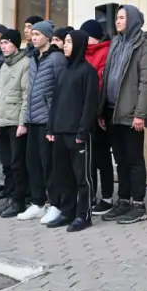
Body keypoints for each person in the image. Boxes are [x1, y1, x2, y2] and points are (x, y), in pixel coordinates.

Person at [99, 5, 147, 224]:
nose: (117, 21)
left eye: (122, 17)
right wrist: (101, 110)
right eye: (116, 17)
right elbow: (107, 77)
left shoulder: (146, 46)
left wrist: (141, 114)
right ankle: (123, 200)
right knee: (121, 160)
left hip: (132, 113)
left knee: (134, 159)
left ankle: (138, 205)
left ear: (133, 19)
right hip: (112, 111)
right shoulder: (116, 42)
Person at [47, 29, 99, 230]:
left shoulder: (88, 72)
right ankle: (67, 212)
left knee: (82, 177)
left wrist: (82, 131)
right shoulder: (63, 71)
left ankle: (83, 215)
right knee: (63, 176)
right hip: (60, 132)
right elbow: (55, 102)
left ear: (78, 44)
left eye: (68, 42)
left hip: (77, 134)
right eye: (65, 41)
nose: (65, 45)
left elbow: (89, 105)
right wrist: (51, 127)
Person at [20, 20, 66, 223]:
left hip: (48, 120)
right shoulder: (32, 58)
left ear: (48, 36)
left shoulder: (57, 58)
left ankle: (56, 204)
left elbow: (61, 91)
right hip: (32, 119)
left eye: (38, 34)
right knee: (33, 163)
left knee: (50, 166)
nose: (34, 36)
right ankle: (38, 203)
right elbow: (29, 91)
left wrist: (55, 122)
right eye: (33, 34)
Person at [0, 29, 30, 218]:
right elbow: (1, 97)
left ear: (16, 44)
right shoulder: (3, 66)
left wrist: (23, 122)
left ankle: (19, 201)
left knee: (17, 164)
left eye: (7, 42)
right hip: (4, 121)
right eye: (1, 43)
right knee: (6, 164)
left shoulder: (25, 64)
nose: (3, 46)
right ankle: (9, 199)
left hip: (17, 122)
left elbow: (26, 96)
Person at [79, 19, 113, 215]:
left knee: (102, 157)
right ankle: (90, 195)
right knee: (88, 158)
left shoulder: (105, 52)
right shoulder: (82, 54)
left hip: (99, 111)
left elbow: (103, 82)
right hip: (85, 112)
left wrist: (99, 111)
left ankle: (107, 197)